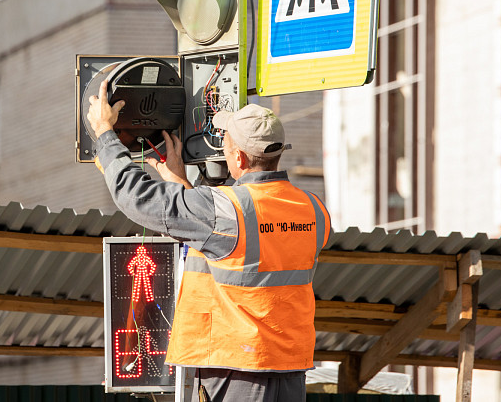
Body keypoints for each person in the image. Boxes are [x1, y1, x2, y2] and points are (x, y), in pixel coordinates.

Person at [88, 81, 331, 402]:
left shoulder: (226, 209)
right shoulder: (313, 209)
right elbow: (237, 241)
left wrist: (106, 133)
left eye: (226, 145)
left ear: (240, 159)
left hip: (235, 365)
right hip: (288, 367)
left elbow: (138, 198)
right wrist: (180, 182)